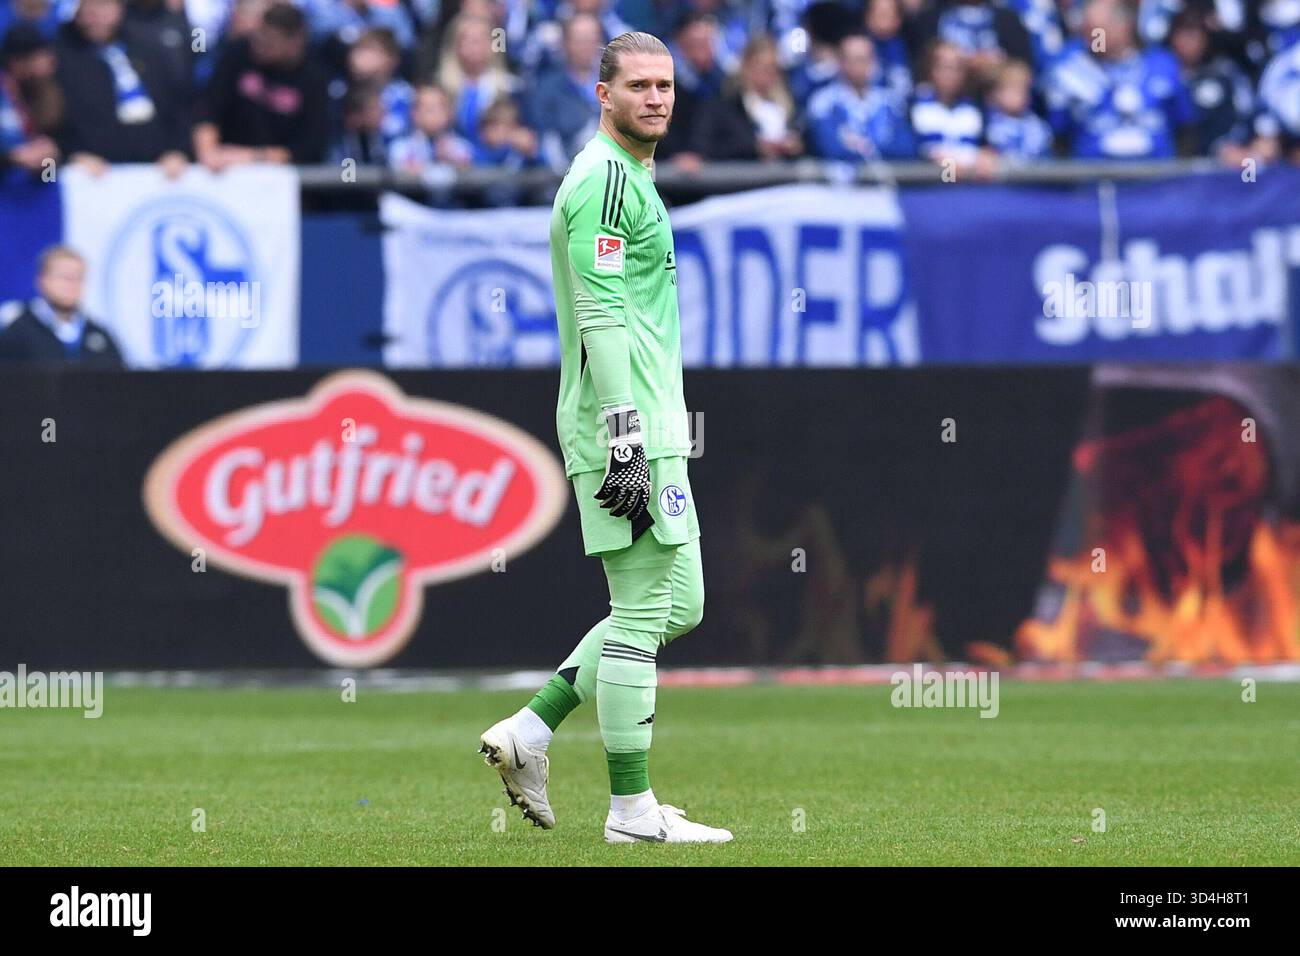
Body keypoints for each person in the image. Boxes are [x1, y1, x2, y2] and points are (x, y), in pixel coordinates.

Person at [478, 31, 731, 845]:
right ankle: (630, 812)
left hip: (651, 424)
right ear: (604, 94)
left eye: (665, 85)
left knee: (676, 602)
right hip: (626, 427)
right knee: (640, 610)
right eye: (639, 86)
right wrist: (624, 437)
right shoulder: (603, 183)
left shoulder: (631, 178)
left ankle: (533, 727)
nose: (656, 97)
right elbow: (601, 316)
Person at [192, 2, 330, 168]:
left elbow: (311, 147)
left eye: (270, 42)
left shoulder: (315, 78)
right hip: (224, 172)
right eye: (258, 37)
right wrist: (208, 153)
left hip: (282, 180)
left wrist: (250, 157)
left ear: (295, 42)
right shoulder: (239, 53)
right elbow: (208, 108)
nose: (260, 47)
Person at [0, 245, 125, 367]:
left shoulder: (98, 334)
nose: (72, 285)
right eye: (65, 277)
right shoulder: (17, 332)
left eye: (79, 278)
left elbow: (120, 380)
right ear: (43, 280)